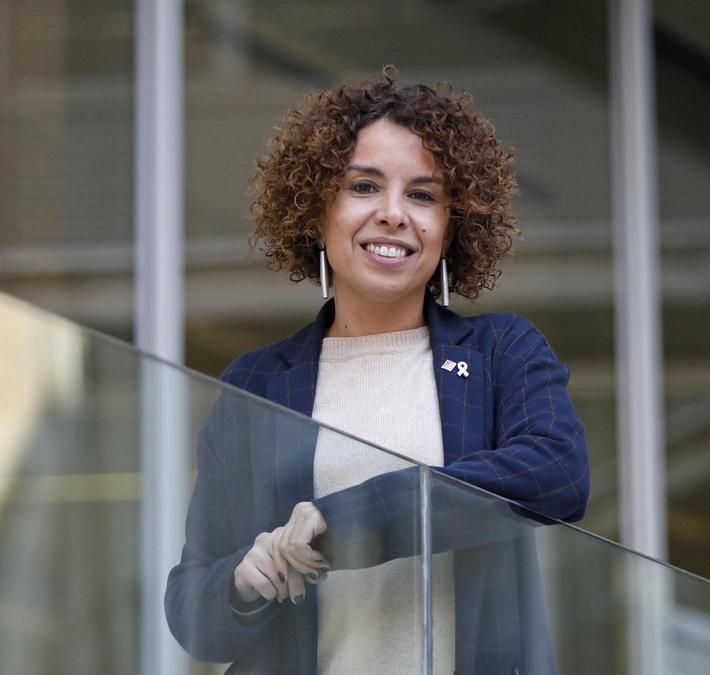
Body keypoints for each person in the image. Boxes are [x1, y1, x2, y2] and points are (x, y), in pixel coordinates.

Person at [165, 67, 589, 674]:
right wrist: (242, 580)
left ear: (451, 226)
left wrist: (345, 521)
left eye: (423, 194)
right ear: (317, 211)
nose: (393, 214)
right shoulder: (257, 384)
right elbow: (192, 612)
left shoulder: (503, 352)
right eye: (364, 186)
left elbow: (558, 474)